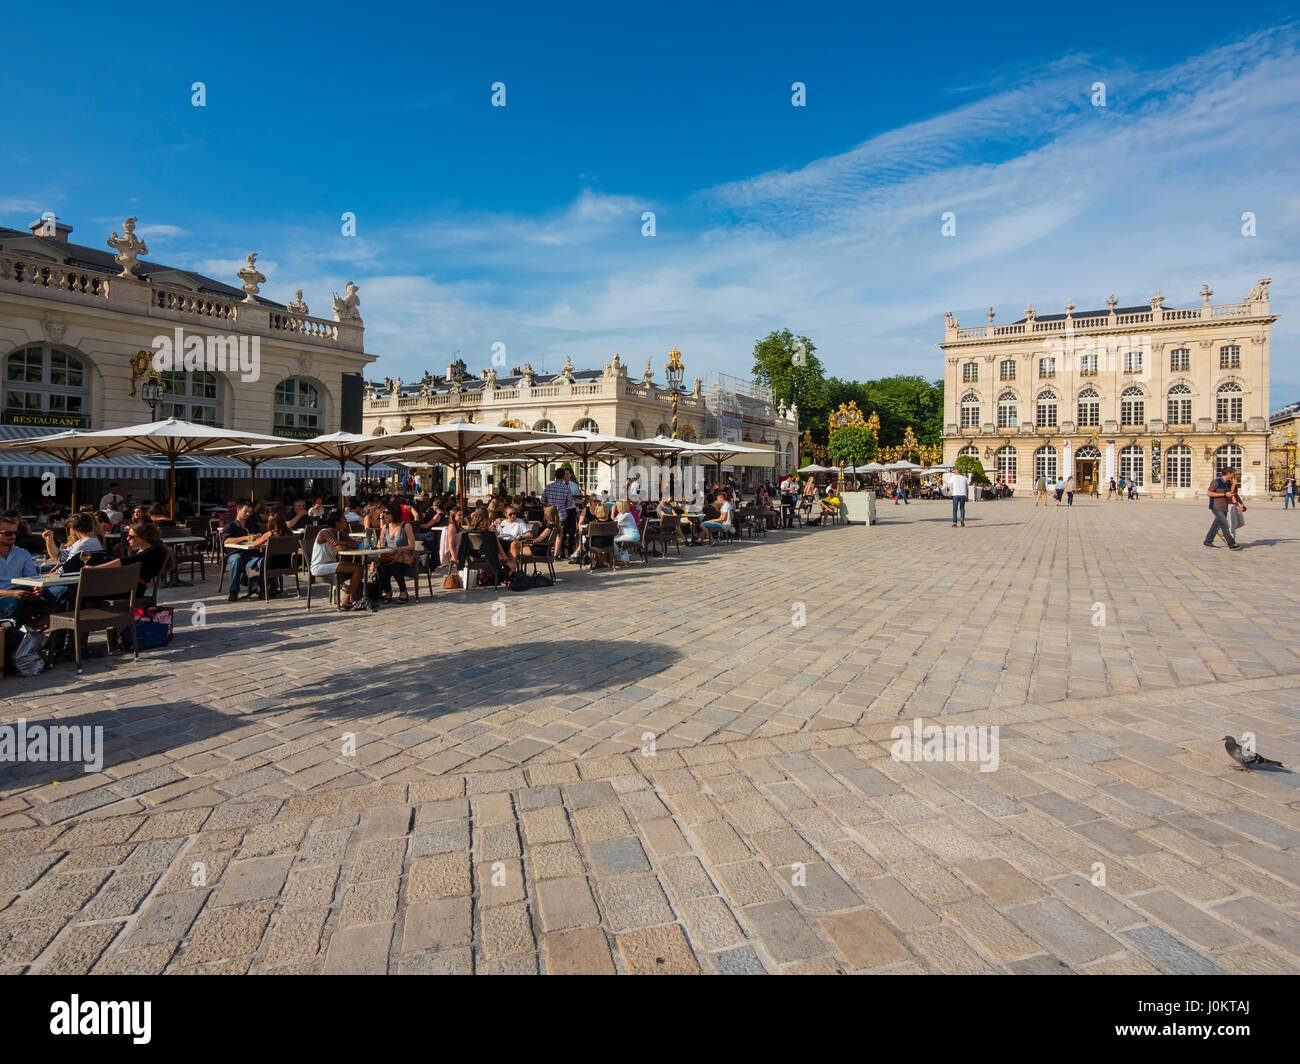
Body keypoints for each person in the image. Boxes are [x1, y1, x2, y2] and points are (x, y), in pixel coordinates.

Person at [87, 521, 175, 597]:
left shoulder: (154, 551)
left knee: (85, 593)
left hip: (132, 590)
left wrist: (94, 569)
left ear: (143, 537)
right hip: (128, 586)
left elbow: (124, 562)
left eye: (131, 536)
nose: (127, 538)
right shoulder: (148, 550)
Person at [311, 511, 367, 609]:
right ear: (337, 522)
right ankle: (346, 600)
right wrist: (343, 543)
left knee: (359, 568)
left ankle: (350, 599)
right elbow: (340, 548)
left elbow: (355, 544)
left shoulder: (339, 533)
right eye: (344, 520)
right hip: (319, 566)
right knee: (358, 569)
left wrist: (341, 542)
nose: (346, 522)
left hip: (331, 564)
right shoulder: (325, 533)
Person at [0, 516, 46, 626]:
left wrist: (37, 587)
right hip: (3, 594)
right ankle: (17, 640)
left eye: (15, 533)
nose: (13, 536)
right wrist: (11, 593)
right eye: (8, 533)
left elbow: (32, 578)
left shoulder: (22, 553)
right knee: (14, 603)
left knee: (59, 592)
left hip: (22, 590)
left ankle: (61, 637)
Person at [243, 514, 294, 599]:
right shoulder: (290, 533)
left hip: (270, 565)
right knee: (265, 561)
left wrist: (256, 538)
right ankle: (272, 588)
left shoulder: (270, 534)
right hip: (286, 563)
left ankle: (257, 588)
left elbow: (255, 544)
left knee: (248, 565)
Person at [376, 503, 418, 603]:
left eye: (387, 513)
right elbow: (379, 543)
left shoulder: (406, 526)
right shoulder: (385, 527)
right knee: (382, 566)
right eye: (383, 513)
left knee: (395, 565)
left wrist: (397, 549)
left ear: (395, 513)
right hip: (389, 556)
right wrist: (381, 547)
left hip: (404, 556)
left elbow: (411, 546)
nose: (385, 515)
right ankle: (388, 592)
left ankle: (403, 591)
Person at [1204, 469, 1242, 550]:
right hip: (1216, 506)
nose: (1234, 476)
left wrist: (1237, 505)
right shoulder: (1216, 482)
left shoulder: (1228, 483)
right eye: (1233, 474)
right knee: (1224, 524)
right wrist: (1224, 494)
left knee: (1216, 525)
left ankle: (1208, 541)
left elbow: (1231, 494)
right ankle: (1231, 544)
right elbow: (1209, 493)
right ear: (1228, 474)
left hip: (1224, 507)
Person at [543, 469, 576, 558]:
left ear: (555, 476)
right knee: (559, 534)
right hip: (561, 514)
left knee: (549, 532)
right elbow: (569, 503)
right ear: (563, 477)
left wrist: (549, 504)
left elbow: (543, 500)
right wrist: (562, 505)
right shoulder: (566, 488)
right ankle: (556, 553)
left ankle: (549, 551)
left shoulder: (549, 487)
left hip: (550, 514)